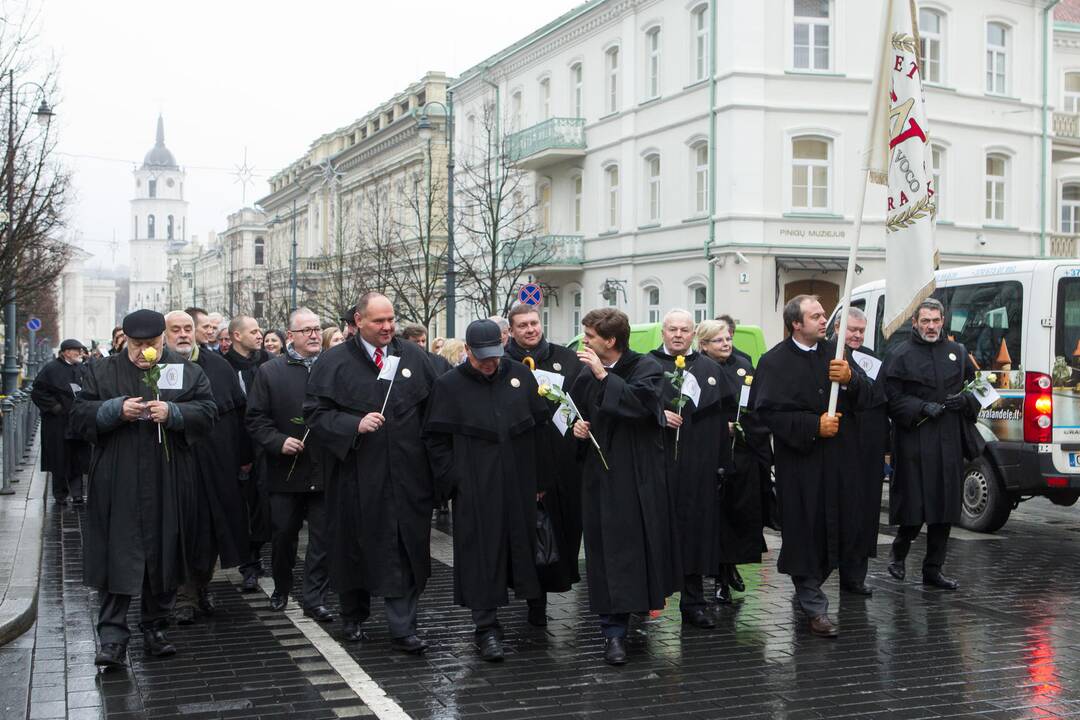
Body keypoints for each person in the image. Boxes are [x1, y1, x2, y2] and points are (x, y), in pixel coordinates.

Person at [70, 309, 216, 669]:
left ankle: (155, 626)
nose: (143, 352)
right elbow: (78, 415)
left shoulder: (186, 370)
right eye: (136, 345)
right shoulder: (101, 370)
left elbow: (208, 411)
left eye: (150, 344)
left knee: (164, 551)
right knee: (117, 553)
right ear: (126, 341)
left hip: (168, 476)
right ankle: (112, 637)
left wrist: (174, 413)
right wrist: (114, 410)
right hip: (117, 477)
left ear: (162, 339)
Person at [304, 293, 438, 654]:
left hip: (407, 476)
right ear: (358, 321)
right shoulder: (333, 362)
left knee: (405, 550)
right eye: (378, 321)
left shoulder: (411, 356)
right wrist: (353, 424)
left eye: (391, 319)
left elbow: (433, 412)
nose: (387, 327)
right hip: (356, 475)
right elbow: (315, 415)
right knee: (354, 547)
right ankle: (354, 616)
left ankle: (403, 626)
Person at [424, 319, 550, 661]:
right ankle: (487, 627)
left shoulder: (520, 375)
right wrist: (455, 479)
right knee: (481, 555)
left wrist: (539, 480)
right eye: (482, 358)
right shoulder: (449, 386)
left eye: (494, 355)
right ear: (467, 351)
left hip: (520, 481)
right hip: (476, 487)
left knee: (525, 544)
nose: (490, 363)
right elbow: (435, 440)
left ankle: (535, 604)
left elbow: (539, 429)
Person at [750, 294, 866, 639]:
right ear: (796, 324)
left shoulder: (838, 355)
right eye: (815, 316)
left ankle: (811, 589)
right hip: (800, 464)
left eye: (823, 315)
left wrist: (851, 381)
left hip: (839, 462)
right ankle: (814, 603)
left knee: (838, 529)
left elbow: (870, 398)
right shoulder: (774, 362)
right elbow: (765, 415)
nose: (823, 321)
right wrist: (813, 426)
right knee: (805, 530)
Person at [568, 308, 672, 665]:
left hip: (637, 478)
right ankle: (613, 631)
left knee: (635, 549)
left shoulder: (646, 368)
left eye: (590, 337)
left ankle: (636, 609)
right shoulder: (583, 374)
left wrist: (603, 375)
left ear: (610, 341)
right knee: (606, 553)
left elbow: (643, 406)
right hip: (600, 479)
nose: (584, 343)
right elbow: (569, 412)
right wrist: (576, 429)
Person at [881, 298, 978, 591]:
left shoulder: (958, 353)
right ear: (915, 323)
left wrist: (966, 401)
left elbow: (978, 389)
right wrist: (920, 407)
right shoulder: (899, 355)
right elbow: (890, 398)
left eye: (936, 321)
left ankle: (933, 569)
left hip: (948, 442)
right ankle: (898, 554)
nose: (931, 326)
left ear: (943, 320)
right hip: (915, 443)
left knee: (944, 509)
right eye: (925, 321)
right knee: (915, 505)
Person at [247, 308, 335, 621]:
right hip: (285, 470)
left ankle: (315, 597)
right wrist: (277, 441)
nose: (314, 334)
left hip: (325, 468)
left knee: (323, 538)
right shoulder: (270, 372)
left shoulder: (332, 367)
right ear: (291, 335)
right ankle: (282, 586)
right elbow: (255, 419)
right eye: (306, 330)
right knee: (284, 535)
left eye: (317, 328)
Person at [649, 310, 733, 629]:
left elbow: (721, 418)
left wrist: (722, 464)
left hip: (698, 468)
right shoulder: (648, 366)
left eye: (685, 329)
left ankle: (694, 602)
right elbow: (634, 406)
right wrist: (658, 414)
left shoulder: (709, 367)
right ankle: (648, 598)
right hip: (660, 465)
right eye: (673, 329)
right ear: (663, 332)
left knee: (694, 534)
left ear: (693, 332)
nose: (679, 335)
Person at [166, 310, 250, 625]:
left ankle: (200, 586)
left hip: (217, 462)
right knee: (182, 530)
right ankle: (183, 595)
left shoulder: (219, 366)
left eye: (189, 328)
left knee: (211, 530)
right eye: (176, 329)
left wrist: (243, 457)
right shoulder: (156, 367)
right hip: (176, 463)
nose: (184, 335)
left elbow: (239, 415)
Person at [504, 303, 585, 626]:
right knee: (527, 532)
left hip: (563, 460)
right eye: (522, 325)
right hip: (520, 460)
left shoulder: (565, 359)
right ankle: (532, 598)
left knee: (561, 531)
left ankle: (555, 585)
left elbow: (580, 400)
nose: (530, 329)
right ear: (511, 330)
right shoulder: (504, 362)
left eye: (534, 323)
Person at [696, 319, 767, 603]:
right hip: (710, 456)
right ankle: (719, 577)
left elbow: (754, 403)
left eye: (727, 339)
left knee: (738, 515)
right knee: (716, 518)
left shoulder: (743, 365)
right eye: (719, 340)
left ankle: (730, 567)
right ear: (703, 345)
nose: (726, 344)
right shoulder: (696, 369)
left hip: (742, 452)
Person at [833, 307, 889, 596]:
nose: (856, 335)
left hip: (867, 446)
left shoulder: (873, 358)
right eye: (851, 329)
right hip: (835, 443)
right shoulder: (825, 354)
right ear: (839, 327)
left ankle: (855, 575)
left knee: (863, 511)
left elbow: (880, 398)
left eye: (861, 330)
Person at [223, 315, 272, 592]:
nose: (260, 335)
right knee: (244, 508)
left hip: (266, 444)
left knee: (263, 507)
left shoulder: (267, 362)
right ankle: (248, 562)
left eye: (260, 330)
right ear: (236, 336)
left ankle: (257, 554)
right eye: (253, 331)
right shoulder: (225, 366)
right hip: (238, 445)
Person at [31, 339, 91, 505]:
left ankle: (78, 494)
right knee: (59, 458)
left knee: (77, 457)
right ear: (65, 352)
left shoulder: (82, 368)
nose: (79, 353)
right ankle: (60, 494)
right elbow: (38, 392)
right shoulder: (50, 369)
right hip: (57, 423)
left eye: (80, 350)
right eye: (75, 350)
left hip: (77, 422)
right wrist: (55, 407)